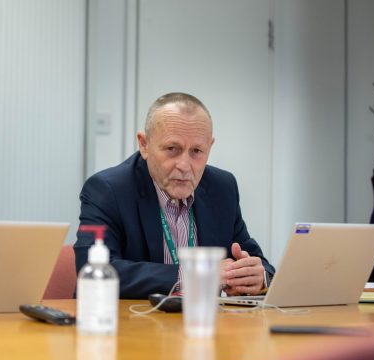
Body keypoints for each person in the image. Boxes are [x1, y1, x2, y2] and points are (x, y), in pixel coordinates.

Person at [74, 92, 274, 299]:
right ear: (144, 144)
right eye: (172, 149)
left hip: (202, 324)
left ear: (210, 147)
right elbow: (93, 270)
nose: (185, 165)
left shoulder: (222, 188)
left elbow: (254, 259)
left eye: (197, 151)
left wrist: (259, 278)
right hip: (128, 324)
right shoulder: (108, 190)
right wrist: (194, 275)